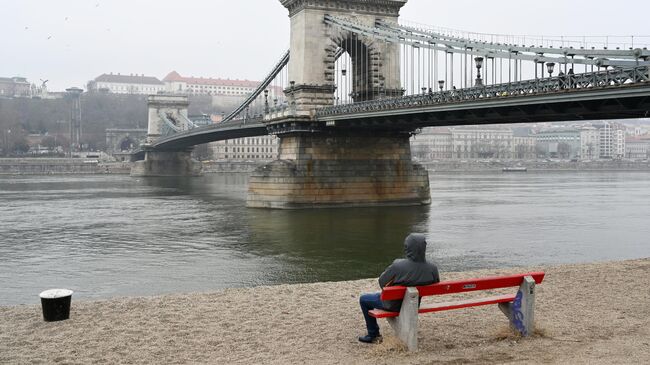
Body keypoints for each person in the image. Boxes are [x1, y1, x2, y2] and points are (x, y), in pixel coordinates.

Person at [358, 233, 440, 343]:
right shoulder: (432, 268)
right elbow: (435, 284)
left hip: (393, 305)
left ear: (407, 248)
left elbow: (382, 282)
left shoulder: (398, 265)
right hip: (414, 304)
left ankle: (373, 335)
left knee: (364, 299)